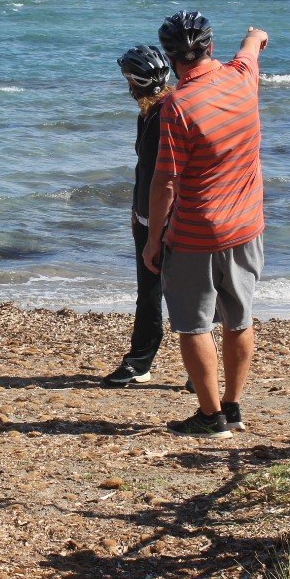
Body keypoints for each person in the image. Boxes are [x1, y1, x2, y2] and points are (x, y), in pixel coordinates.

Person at [142, 11, 269, 437]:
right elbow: (252, 48)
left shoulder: (177, 105)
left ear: (169, 57)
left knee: (193, 324)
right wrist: (255, 35)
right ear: (211, 48)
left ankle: (210, 415)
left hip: (197, 235)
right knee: (239, 317)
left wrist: (153, 240)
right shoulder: (242, 78)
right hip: (247, 227)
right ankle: (233, 406)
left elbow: (165, 183)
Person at [103, 44, 173, 387]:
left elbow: (167, 178)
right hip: (148, 218)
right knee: (151, 292)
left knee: (176, 294)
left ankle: (146, 362)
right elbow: (143, 169)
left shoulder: (165, 116)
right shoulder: (150, 112)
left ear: (135, 82)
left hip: (166, 221)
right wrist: (136, 211)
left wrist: (154, 227)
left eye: (128, 80)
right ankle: (141, 361)